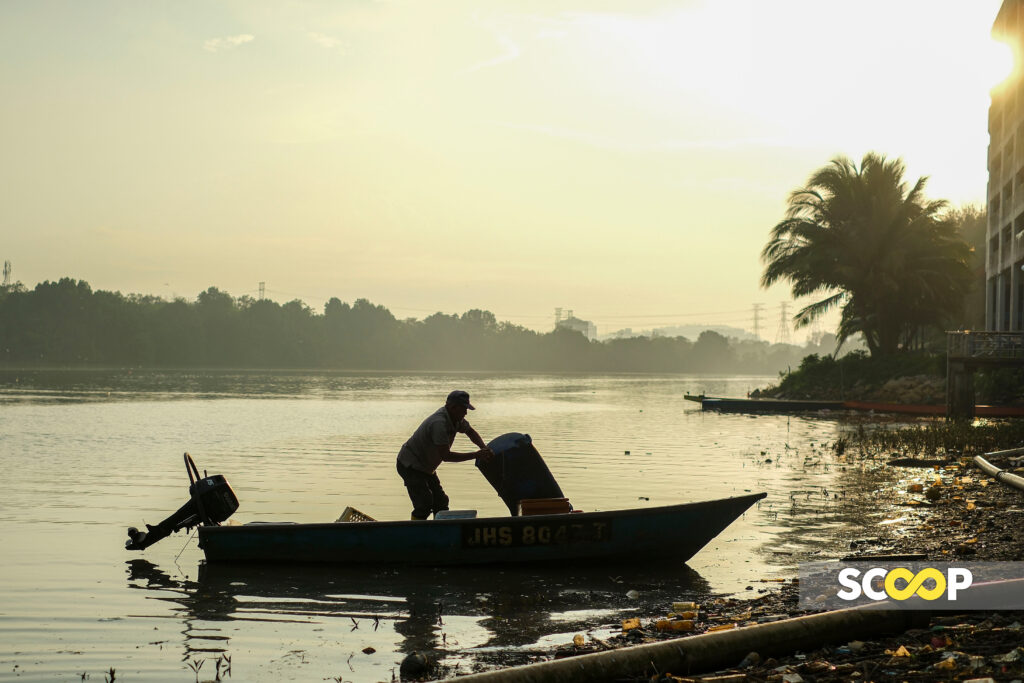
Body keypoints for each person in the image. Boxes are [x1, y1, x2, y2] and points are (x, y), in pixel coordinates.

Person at [396, 390, 492, 520]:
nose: (465, 412)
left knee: (441, 503)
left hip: (427, 467)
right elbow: (446, 456)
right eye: (463, 409)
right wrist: (476, 455)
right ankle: (415, 534)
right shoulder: (439, 423)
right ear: (453, 407)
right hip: (410, 465)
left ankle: (439, 532)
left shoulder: (456, 419)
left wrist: (484, 448)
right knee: (424, 503)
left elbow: (470, 432)